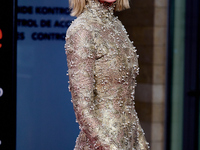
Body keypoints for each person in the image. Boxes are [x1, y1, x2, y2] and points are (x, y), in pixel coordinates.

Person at [65, 0, 150, 149]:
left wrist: (141, 143)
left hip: (128, 141)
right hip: (101, 144)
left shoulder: (117, 26)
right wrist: (110, 147)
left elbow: (127, 103)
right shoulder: (82, 30)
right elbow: (82, 108)